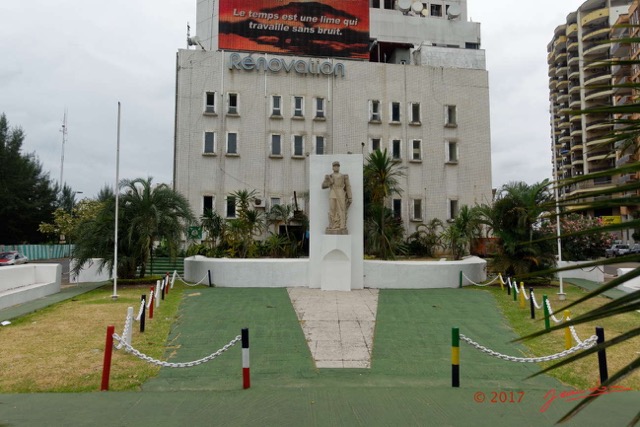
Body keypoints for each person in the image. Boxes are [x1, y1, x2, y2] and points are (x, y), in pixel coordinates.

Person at [322, 161, 352, 234]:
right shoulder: (330, 176)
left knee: (341, 209)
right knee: (332, 208)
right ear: (332, 167)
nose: (336, 167)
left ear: (339, 167)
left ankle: (342, 225)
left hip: (340, 192)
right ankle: (333, 225)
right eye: (334, 166)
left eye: (337, 166)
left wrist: (350, 196)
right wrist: (329, 182)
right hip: (333, 192)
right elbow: (323, 186)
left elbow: (348, 186)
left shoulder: (343, 176)